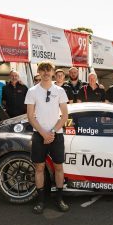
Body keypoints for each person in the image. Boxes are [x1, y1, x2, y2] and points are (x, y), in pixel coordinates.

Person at [24, 61, 69, 213]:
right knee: (39, 167)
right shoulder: (32, 91)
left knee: (58, 167)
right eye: (42, 70)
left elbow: (65, 115)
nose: (45, 73)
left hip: (57, 134)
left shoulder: (60, 91)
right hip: (39, 135)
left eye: (48, 70)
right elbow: (30, 116)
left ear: (53, 72)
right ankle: (41, 201)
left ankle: (59, 199)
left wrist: (53, 132)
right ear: (39, 72)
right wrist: (43, 133)